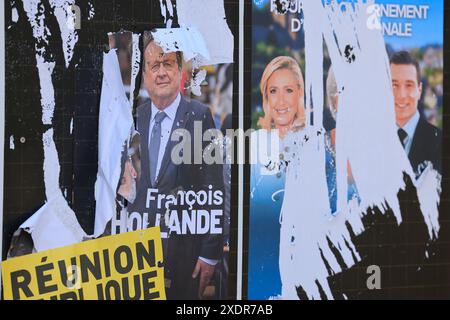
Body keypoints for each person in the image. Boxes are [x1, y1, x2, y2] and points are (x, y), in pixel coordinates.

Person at [128, 35, 224, 299]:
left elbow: (214, 187)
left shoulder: (200, 115)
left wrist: (209, 253)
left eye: (168, 64)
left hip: (185, 258)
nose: (161, 73)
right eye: (154, 66)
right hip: (137, 258)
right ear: (145, 75)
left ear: (180, 71)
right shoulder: (134, 118)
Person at [390, 51, 442, 176]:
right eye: (394, 85)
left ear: (419, 90)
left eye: (409, 85)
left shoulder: (440, 142)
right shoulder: (370, 140)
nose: (401, 95)